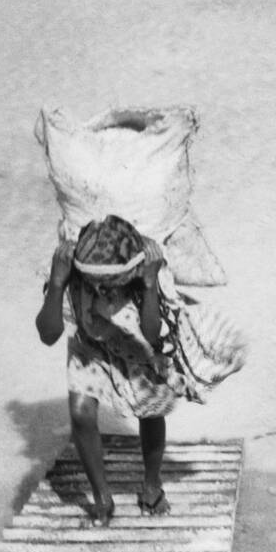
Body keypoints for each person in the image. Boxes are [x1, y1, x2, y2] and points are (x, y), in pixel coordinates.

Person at [35, 214, 247, 526]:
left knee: (150, 412)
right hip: (91, 346)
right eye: (94, 280)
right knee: (80, 413)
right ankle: (102, 500)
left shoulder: (148, 274)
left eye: (109, 282)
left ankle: (152, 485)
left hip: (138, 346)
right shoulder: (72, 276)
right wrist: (56, 283)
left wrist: (149, 286)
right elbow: (48, 334)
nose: (100, 287)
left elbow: (152, 332)